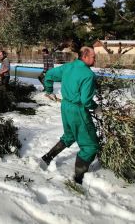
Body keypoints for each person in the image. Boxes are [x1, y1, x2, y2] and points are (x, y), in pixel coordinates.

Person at [41, 46, 100, 184]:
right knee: (90, 146)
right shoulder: (88, 75)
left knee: (70, 136)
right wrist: (96, 107)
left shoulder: (68, 67)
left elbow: (48, 74)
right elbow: (86, 101)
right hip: (78, 111)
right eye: (93, 57)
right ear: (85, 56)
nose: (95, 59)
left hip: (65, 107)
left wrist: (49, 90)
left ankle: (47, 158)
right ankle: (78, 179)